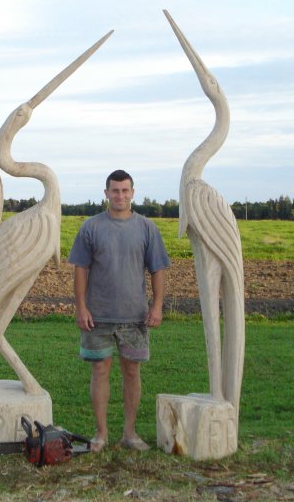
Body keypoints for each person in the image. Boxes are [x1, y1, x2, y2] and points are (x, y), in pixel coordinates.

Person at [68, 169, 170, 452]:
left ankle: (129, 433)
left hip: (135, 317)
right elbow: (80, 269)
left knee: (132, 372)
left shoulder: (147, 228)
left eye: (125, 190)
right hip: (97, 316)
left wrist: (157, 305)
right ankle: (101, 434)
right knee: (100, 370)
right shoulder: (91, 227)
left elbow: (158, 269)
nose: (120, 195)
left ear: (133, 193)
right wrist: (81, 307)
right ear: (106, 193)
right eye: (115, 190)